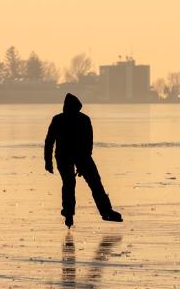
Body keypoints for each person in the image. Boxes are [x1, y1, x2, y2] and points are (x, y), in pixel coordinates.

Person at [44, 93, 122, 228]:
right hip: (66, 156)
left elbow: (88, 142)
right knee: (72, 183)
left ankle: (104, 211)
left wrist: (83, 161)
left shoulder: (81, 119)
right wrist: (48, 162)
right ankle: (70, 213)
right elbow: (50, 141)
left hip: (81, 156)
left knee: (92, 183)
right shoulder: (62, 119)